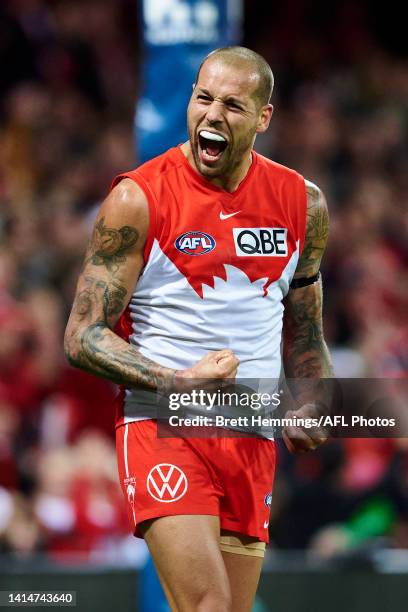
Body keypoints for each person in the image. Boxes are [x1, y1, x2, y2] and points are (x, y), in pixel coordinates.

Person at [64, 46, 333, 612]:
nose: (211, 116)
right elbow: (82, 334)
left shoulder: (302, 205)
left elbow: (306, 328)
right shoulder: (137, 198)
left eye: (232, 105)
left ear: (263, 117)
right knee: (207, 605)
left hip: (250, 435)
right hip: (163, 425)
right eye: (202, 98)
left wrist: (310, 397)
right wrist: (176, 381)